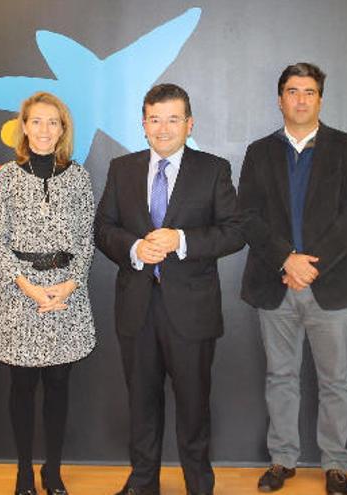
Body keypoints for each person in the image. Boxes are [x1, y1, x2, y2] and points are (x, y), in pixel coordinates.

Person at [95, 83, 244, 495]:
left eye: (173, 119)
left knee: (194, 405)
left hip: (191, 311)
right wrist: (136, 248)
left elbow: (234, 233)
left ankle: (198, 482)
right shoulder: (121, 169)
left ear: (189, 123)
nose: (163, 129)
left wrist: (181, 240)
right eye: (155, 119)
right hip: (137, 307)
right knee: (142, 403)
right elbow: (103, 229)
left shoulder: (213, 169)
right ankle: (143, 481)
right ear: (143, 124)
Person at [238, 62, 347, 495]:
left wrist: (312, 264)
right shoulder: (259, 152)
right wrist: (286, 260)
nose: (300, 99)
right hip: (276, 285)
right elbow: (249, 215)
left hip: (330, 285)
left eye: (309, 92)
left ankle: (336, 463)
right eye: (292, 91)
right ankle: (283, 460)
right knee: (281, 377)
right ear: (280, 99)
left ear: (320, 99)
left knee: (335, 380)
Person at [0, 92, 95, 495]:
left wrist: (68, 284)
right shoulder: (6, 177)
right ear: (24, 126)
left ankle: (52, 469)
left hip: (67, 296)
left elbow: (87, 239)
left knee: (58, 387)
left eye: (53, 122)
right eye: (36, 121)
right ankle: (22, 471)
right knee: (21, 387)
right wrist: (29, 287)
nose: (44, 130)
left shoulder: (79, 177)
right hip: (20, 296)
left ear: (63, 129)